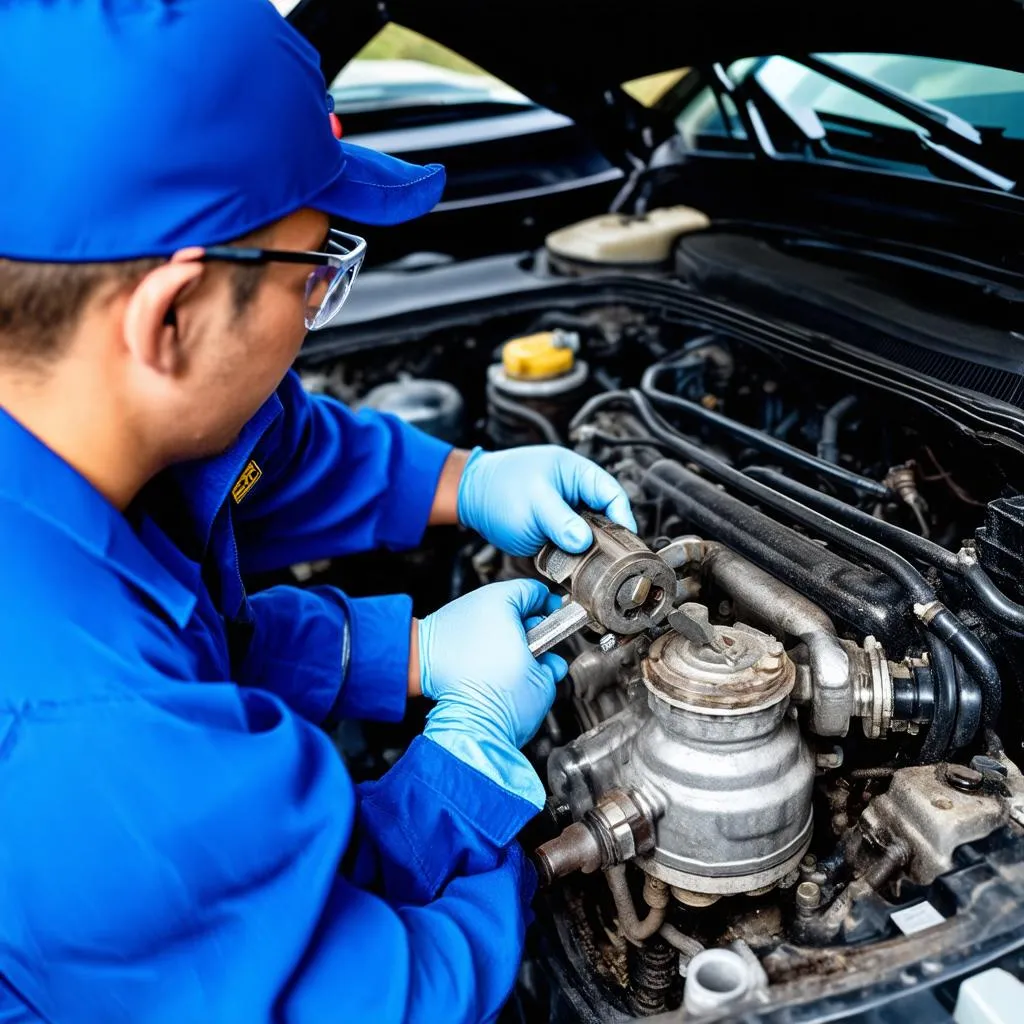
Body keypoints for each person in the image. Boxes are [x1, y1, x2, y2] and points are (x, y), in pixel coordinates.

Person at [0, 2, 637, 1021]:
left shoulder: (62, 431)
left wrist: (458, 505)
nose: (314, 311)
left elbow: (248, 480)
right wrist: (471, 776)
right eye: (317, 274)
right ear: (169, 315)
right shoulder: (88, 739)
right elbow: (384, 993)